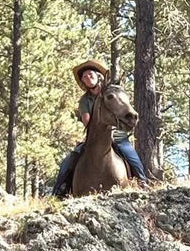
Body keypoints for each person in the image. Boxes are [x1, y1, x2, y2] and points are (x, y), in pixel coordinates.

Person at [53, 59, 148, 196]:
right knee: (69, 160)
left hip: (117, 136)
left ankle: (142, 183)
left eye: (90, 74)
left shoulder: (113, 93)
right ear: (83, 82)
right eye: (84, 77)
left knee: (131, 156)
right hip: (94, 137)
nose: (88, 78)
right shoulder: (85, 100)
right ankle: (59, 191)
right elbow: (86, 120)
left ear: (98, 76)